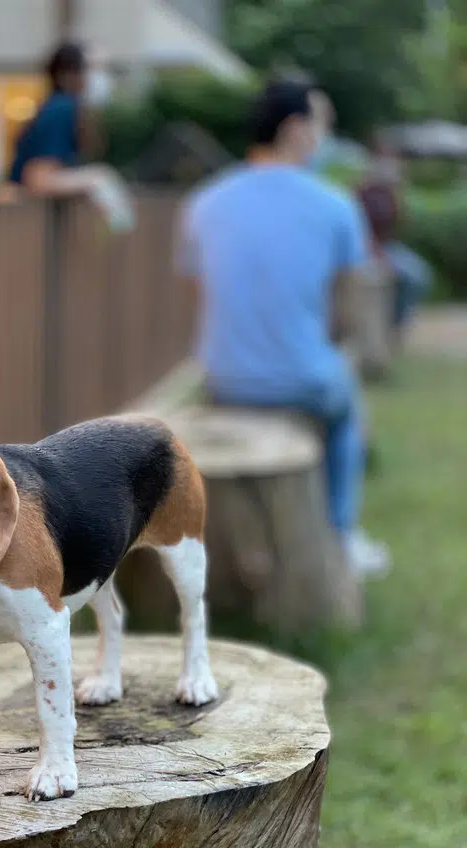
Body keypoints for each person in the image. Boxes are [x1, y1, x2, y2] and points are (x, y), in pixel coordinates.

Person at [176, 80, 390, 578]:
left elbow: (200, 297)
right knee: (346, 409)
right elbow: (346, 312)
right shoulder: (336, 205)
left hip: (223, 377)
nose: (323, 139)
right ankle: (342, 536)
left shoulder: (204, 202)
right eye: (321, 127)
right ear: (295, 129)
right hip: (302, 380)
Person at [4, 41, 134, 231]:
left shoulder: (64, 107)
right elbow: (37, 178)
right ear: (68, 74)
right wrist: (94, 182)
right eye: (94, 68)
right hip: (21, 226)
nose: (100, 77)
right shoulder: (62, 108)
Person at [356, 134, 432, 333]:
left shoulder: (391, 194)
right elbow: (357, 230)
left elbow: (396, 228)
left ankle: (394, 326)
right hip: (365, 250)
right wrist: (376, 254)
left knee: (418, 274)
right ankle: (388, 327)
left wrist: (398, 192)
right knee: (410, 275)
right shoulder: (362, 192)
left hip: (386, 249)